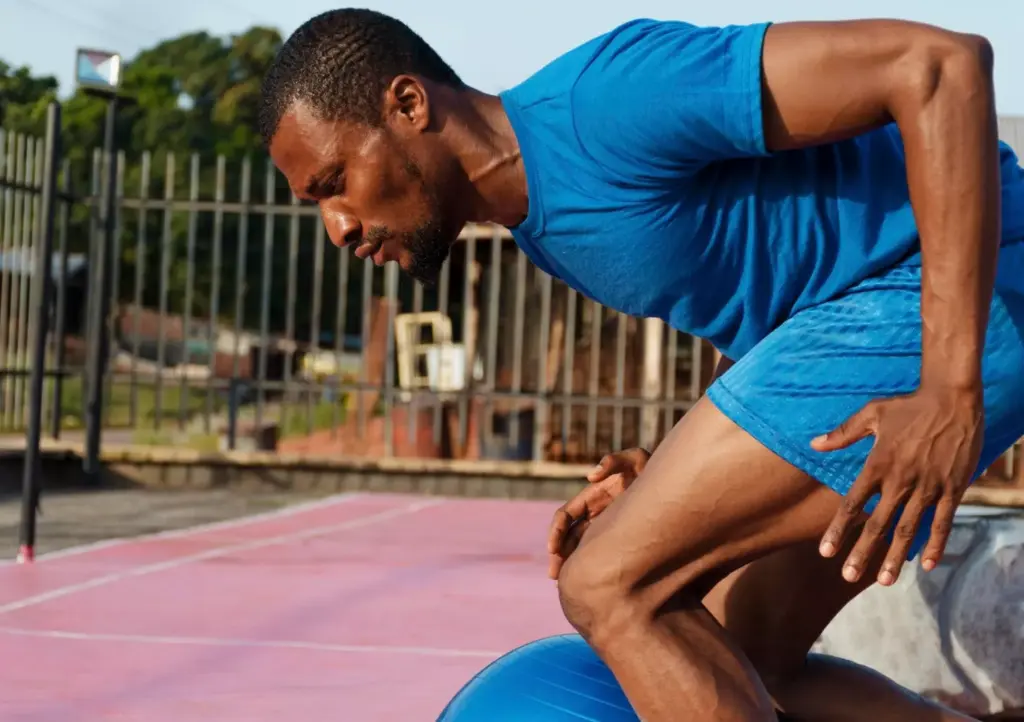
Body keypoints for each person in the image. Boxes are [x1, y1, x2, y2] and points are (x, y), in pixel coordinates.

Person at [258, 9, 1024, 722]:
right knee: (744, 654)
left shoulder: (601, 103)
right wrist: (669, 465)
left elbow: (938, 64)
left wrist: (948, 387)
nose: (337, 228)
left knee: (610, 582)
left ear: (408, 105)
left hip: (964, 295)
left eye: (335, 183)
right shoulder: (543, 230)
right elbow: (776, 290)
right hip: (888, 322)